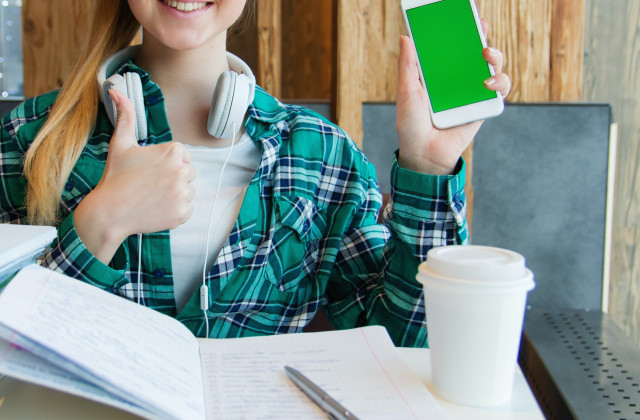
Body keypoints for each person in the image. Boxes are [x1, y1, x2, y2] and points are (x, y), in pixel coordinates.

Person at [0, 0, 510, 347]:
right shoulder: (28, 140)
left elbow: (409, 341)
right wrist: (101, 222)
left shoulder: (319, 155)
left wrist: (429, 166)